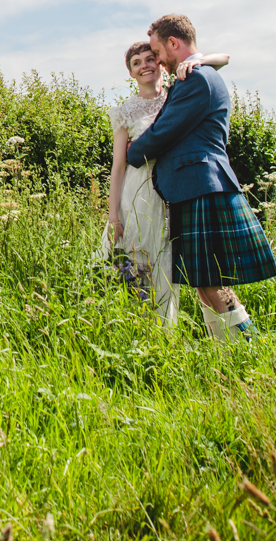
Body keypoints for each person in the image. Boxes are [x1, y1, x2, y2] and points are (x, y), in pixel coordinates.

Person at [125, 14, 276, 340]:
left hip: (201, 185)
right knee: (205, 283)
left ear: (173, 43)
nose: (157, 60)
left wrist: (132, 152)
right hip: (193, 187)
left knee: (211, 283)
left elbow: (166, 131)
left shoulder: (198, 79)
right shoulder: (195, 74)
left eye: (157, 51)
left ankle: (245, 346)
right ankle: (232, 346)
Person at [96, 39, 230, 326]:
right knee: (138, 263)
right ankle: (140, 327)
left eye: (149, 58)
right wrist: (113, 214)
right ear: (130, 74)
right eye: (136, 63)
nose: (144, 65)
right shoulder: (125, 112)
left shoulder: (178, 93)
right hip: (137, 193)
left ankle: (165, 329)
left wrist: (197, 61)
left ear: (160, 63)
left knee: (168, 263)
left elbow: (224, 58)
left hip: (173, 191)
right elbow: (118, 166)